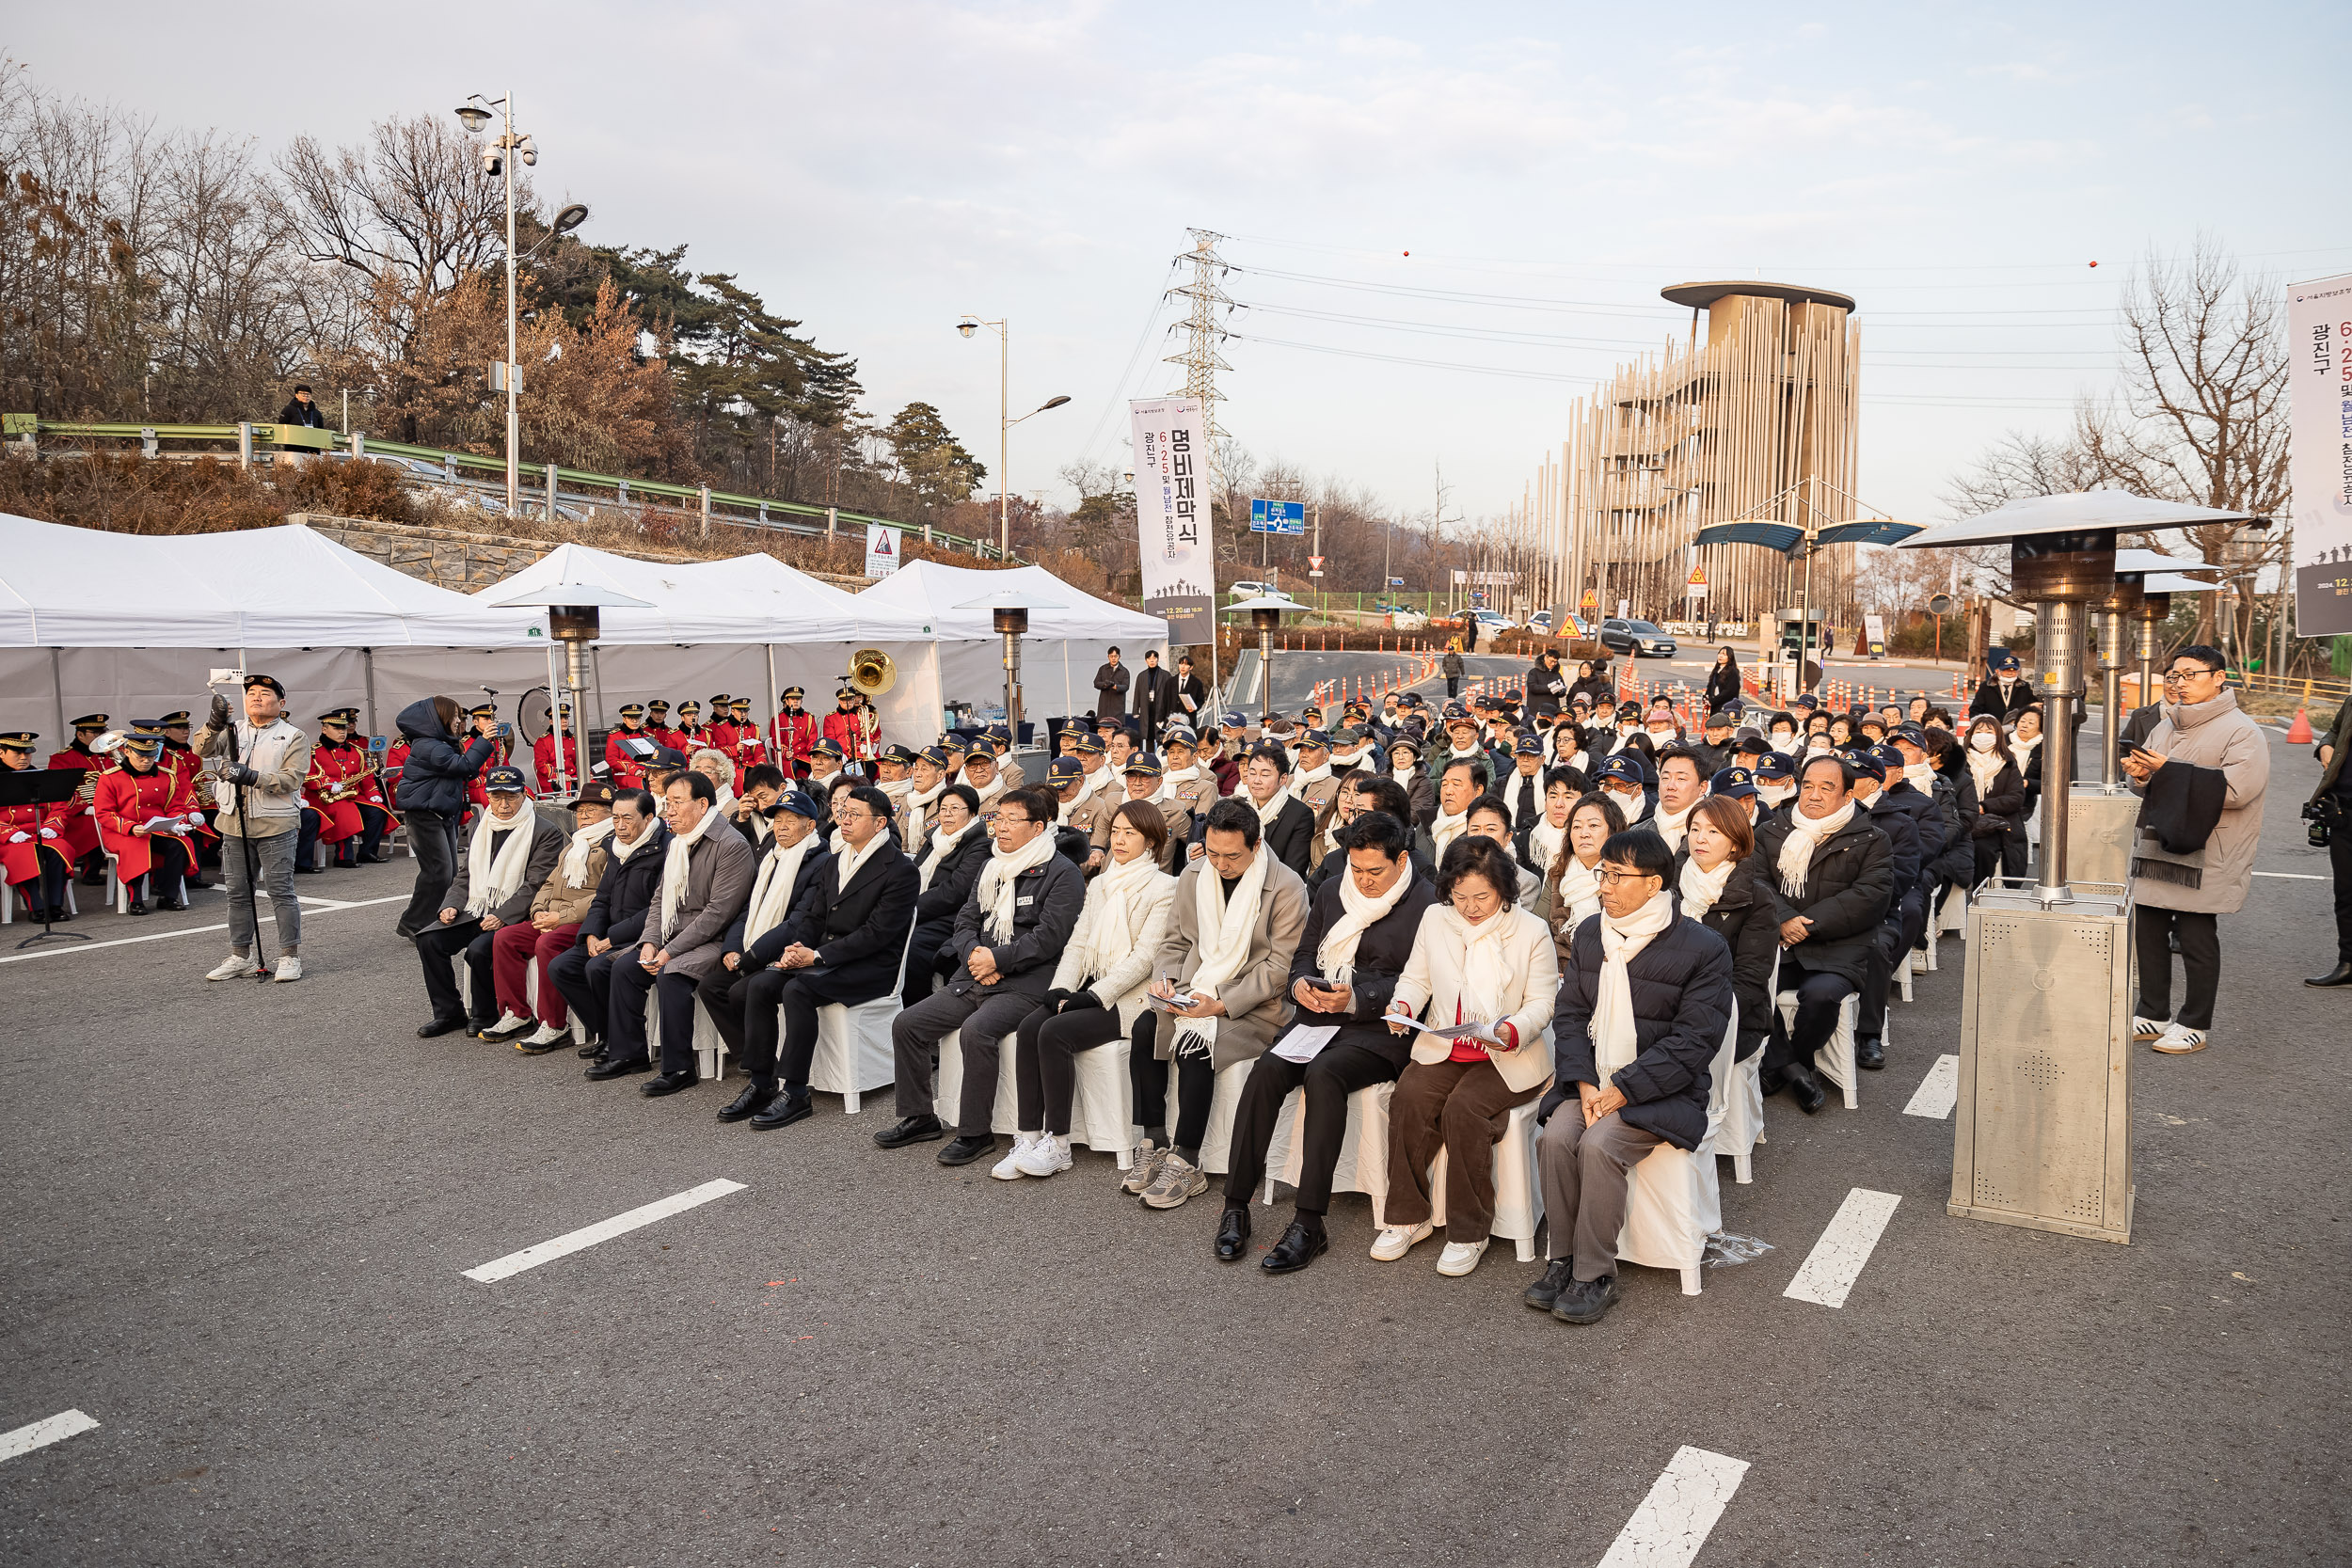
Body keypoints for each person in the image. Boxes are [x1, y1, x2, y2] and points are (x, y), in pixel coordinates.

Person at [1209, 810, 1437, 1267]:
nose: (1365, 881)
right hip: (1318, 1016)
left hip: (1382, 1027)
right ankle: (1236, 1206)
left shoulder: (1427, 904)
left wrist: (1356, 998)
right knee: (1267, 1070)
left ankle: (1309, 1221)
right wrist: (1300, 986)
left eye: (1376, 871)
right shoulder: (1334, 890)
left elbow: (1424, 981)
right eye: (1357, 868)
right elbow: (1305, 955)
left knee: (1325, 1074)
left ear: (1402, 859)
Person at [1525, 828, 1734, 1324]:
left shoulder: (1703, 948)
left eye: (1618, 877)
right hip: (1595, 1078)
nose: (1605, 887)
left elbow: (1693, 1043)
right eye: (1603, 874)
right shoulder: (1594, 932)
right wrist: (1585, 1083)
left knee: (1599, 1146)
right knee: (1555, 1137)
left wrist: (1624, 1090)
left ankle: (1594, 1274)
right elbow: (1571, 1014)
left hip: (1665, 1087)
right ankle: (1563, 1259)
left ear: (1654, 883)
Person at [1368, 834, 1559, 1275]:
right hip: (1445, 1044)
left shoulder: (1531, 930)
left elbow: (1542, 1003)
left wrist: (1511, 1029)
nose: (1471, 907)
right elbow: (1416, 979)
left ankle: (1468, 1231)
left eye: (1483, 897)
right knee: (1409, 1099)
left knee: (1464, 1110)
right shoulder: (1436, 919)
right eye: (1460, 896)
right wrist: (1402, 1007)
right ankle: (1407, 1217)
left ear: (1504, 891)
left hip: (1508, 1055)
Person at [882, 786, 1086, 1164]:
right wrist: (974, 954)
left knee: (978, 1030)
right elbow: (965, 919)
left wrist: (998, 960)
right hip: (974, 972)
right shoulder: (992, 864)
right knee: (908, 1023)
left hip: (1026, 983)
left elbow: (1050, 938)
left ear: (1038, 827)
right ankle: (920, 1116)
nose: (1001, 828)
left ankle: (975, 1133)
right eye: (998, 819)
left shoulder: (1063, 873)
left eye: (1012, 820)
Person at [1138, 797, 1311, 1211]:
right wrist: (1165, 981)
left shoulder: (1287, 887)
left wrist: (1218, 1004)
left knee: (1199, 1041)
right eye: (1213, 852)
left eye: (1232, 856)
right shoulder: (1194, 872)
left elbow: (1277, 969)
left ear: (1256, 845)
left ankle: (1187, 1161)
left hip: (1255, 1008)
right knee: (1146, 1028)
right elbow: (1176, 941)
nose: (1220, 864)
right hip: (1194, 988)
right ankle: (1155, 1142)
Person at [713, 786, 915, 1131]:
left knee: (798, 989)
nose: (844, 819)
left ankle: (795, 1092)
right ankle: (761, 1081)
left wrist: (817, 956)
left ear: (880, 823)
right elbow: (812, 916)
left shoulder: (900, 870)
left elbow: (877, 935)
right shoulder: (837, 860)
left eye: (855, 814)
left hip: (871, 966)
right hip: (825, 957)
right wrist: (795, 949)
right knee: (759, 984)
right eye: (843, 812)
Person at [1000, 800, 1179, 1180]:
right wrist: (1061, 988)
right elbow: (1079, 944)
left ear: (1151, 841)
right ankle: (1028, 1135)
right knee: (1032, 1025)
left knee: (1054, 1032)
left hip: (1128, 998)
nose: (1119, 839)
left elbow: (1146, 957)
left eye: (1130, 833)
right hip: (1089, 985)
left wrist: (1097, 995)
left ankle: (1059, 1143)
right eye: (1115, 831)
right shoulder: (1099, 884)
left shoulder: (1165, 887)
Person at [2122, 645, 2269, 1053]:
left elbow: (2239, 790)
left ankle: (2195, 1023)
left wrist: (2165, 771)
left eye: (2190, 675)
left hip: (2208, 847)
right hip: (2159, 839)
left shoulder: (2242, 730)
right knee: (2148, 928)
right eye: (2175, 676)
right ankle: (2152, 1012)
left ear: (2219, 677)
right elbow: (2147, 785)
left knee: (2196, 935)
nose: (2180, 684)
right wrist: (2140, 777)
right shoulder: (2166, 724)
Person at [591, 770, 755, 1093]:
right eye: (668, 803)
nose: (670, 810)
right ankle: (630, 1054)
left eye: (678, 802)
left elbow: (718, 914)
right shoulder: (679, 843)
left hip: (715, 939)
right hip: (673, 933)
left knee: (672, 971)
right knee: (625, 966)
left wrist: (668, 951)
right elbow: (659, 901)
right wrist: (650, 941)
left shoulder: (730, 844)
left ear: (703, 804)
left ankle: (678, 1068)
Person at [1753, 755, 1893, 1115]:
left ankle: (1788, 1062)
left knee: (1821, 996)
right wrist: (1783, 919)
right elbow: (1754, 880)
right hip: (1780, 940)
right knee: (1748, 987)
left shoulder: (1871, 838)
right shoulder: (1772, 830)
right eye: (1808, 785)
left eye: (1827, 788)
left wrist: (1807, 923)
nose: (1814, 795)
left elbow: (1870, 895)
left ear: (1848, 796)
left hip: (1840, 945)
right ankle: (1794, 1070)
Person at [413, 766, 566, 1037]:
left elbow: (535, 884)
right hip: (478, 907)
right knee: (429, 940)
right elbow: (467, 873)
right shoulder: (481, 824)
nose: (503, 805)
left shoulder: (544, 831)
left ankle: (486, 1014)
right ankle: (449, 1013)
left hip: (517, 913)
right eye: (496, 798)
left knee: (479, 950)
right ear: (487, 798)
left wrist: (503, 915)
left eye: (511, 797)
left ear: (523, 795)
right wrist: (451, 904)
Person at [193, 676, 313, 982]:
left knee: (281, 892)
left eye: (265, 694)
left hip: (276, 823)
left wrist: (250, 776)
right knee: (237, 893)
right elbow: (200, 749)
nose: (256, 698)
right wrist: (214, 722)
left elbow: (291, 779)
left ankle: (289, 956)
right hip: (234, 822)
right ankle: (240, 956)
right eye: (251, 694)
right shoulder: (233, 731)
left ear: (281, 703)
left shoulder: (293, 736)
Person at [485, 780, 618, 1051]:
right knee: (506, 938)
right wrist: (539, 911)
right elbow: (549, 883)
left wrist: (560, 917)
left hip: (583, 920)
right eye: (580, 812)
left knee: (547, 944)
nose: (583, 817)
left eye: (591, 811)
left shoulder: (612, 845)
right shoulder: (575, 844)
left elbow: (604, 896)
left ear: (609, 813)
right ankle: (516, 1013)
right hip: (553, 916)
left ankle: (554, 1025)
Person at [548, 789, 668, 1059]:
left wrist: (612, 938)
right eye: (615, 819)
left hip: (643, 935)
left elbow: (656, 909)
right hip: (611, 933)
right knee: (562, 967)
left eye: (628, 818)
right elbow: (602, 898)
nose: (621, 826)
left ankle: (626, 1047)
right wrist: (590, 933)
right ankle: (606, 1033)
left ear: (649, 818)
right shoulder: (615, 847)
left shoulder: (664, 849)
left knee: (599, 968)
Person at [1673, 793, 1776, 1067]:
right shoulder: (1670, 884)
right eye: (1695, 829)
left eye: (1713, 831)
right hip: (1668, 1004)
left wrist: (1697, 1013)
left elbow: (1750, 978)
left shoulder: (1756, 897)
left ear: (1735, 844)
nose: (1700, 838)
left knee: (1672, 1054)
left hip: (1730, 1015)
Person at [393, 697, 498, 941]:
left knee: (448, 872)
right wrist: (483, 741)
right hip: (424, 814)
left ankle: (436, 916)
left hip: (439, 812)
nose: (459, 721)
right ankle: (414, 922)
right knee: (438, 872)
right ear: (440, 718)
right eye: (454, 716)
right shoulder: (429, 745)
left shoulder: (438, 742)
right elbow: (464, 767)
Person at [1843, 747, 1921, 1072]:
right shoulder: (1824, 818)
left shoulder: (1900, 823)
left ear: (1874, 784)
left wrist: (1850, 905)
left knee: (1874, 948)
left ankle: (1869, 1032)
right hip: (1825, 909)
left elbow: (1898, 880)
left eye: (1853, 779)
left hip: (1875, 913)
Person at [94, 733, 203, 913]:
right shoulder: (110, 777)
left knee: (179, 845)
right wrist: (130, 827)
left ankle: (168, 896)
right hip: (122, 831)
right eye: (141, 756)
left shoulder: (166, 776)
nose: (146, 761)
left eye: (151, 756)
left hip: (157, 829)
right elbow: (104, 813)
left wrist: (174, 823)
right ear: (127, 752)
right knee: (136, 845)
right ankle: (135, 900)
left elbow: (175, 806)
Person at [904, 783, 992, 1007]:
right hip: (919, 909)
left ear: (972, 813)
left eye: (955, 808)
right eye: (943, 809)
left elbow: (955, 891)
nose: (947, 814)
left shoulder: (980, 845)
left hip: (950, 918)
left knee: (911, 948)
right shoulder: (934, 839)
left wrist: (909, 909)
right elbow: (913, 873)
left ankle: (917, 1009)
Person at [1200, 744, 1314, 879]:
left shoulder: (1299, 814)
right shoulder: (1237, 806)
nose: (1256, 780)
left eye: (1265, 774)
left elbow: (1294, 868)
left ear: (1283, 779)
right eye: (1252, 773)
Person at [299, 709, 386, 871]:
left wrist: (373, 793)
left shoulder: (356, 751)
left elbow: (365, 777)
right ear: (324, 729)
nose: (342, 732)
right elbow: (306, 776)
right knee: (344, 811)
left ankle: (368, 852)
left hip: (352, 795)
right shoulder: (313, 752)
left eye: (344, 729)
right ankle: (343, 856)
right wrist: (328, 783)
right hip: (323, 798)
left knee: (377, 811)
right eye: (337, 728)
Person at [0, 730, 72, 920]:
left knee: (61, 849)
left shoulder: (39, 776)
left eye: (28, 753)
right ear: (1, 753)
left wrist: (52, 826)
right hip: (7, 838)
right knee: (24, 854)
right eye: (18, 753)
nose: (24, 758)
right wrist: (7, 832)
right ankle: (37, 907)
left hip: (39, 831)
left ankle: (55, 905)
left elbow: (59, 806)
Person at [2307, 691, 2352, 989]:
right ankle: (2348, 963)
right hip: (2342, 810)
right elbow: (2335, 730)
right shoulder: (2351, 701)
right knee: (2345, 893)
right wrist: (2325, 746)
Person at [1961, 714, 2028, 881]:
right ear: (1971, 734)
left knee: (1983, 848)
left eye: (1989, 731)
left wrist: (1984, 806)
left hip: (1999, 823)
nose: (1983, 735)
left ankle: (1980, 892)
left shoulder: (2007, 762)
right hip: (1965, 820)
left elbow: (2016, 797)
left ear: (1998, 736)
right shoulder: (1961, 761)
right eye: (1979, 730)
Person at [1649, 747, 1709, 853]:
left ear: (1703, 787)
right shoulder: (1638, 831)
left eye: (1681, 779)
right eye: (1665, 778)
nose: (1671, 786)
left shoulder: (1715, 833)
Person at [1970, 650, 2036, 721]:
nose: (2010, 673)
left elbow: (2032, 708)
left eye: (2014, 670)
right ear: (1997, 671)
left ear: (2018, 672)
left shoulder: (2024, 688)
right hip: (1992, 728)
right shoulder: (1986, 687)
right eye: (2006, 670)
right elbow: (1975, 710)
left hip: (2016, 729)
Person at [1387, 735, 1437, 827]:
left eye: (1405, 752)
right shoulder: (1383, 778)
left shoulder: (1423, 781)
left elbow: (1417, 813)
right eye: (1396, 753)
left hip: (1409, 828)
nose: (1400, 757)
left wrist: (1388, 820)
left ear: (1414, 757)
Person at [1132, 648, 1176, 747]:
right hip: (1146, 709)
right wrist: (1135, 711)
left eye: (1154, 658)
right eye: (1149, 658)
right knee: (1148, 735)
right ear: (1146, 660)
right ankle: (1149, 755)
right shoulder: (1141, 676)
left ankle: (1161, 755)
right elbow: (1137, 694)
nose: (1152, 660)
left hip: (1161, 709)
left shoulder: (1166, 675)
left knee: (1161, 734)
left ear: (1158, 659)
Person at [1526, 646, 1567, 721]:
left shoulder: (1557, 674)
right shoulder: (1534, 672)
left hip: (1552, 711)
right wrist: (1550, 687)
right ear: (1545, 658)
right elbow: (1533, 688)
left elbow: (1563, 690)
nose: (1553, 664)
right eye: (1551, 661)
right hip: (1536, 710)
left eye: (1555, 662)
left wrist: (1561, 691)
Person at [1092, 645, 1132, 721]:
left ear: (1119, 657)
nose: (1113, 658)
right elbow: (1096, 683)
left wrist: (1114, 686)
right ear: (1108, 657)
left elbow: (1126, 687)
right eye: (1111, 656)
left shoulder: (1124, 671)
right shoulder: (1103, 668)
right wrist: (1105, 684)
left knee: (1116, 730)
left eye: (1115, 656)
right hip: (1104, 707)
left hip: (1117, 708)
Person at [1705, 647, 1742, 715]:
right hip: (1715, 707)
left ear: (1730, 657)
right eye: (1720, 653)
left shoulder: (1733, 672)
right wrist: (1706, 698)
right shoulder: (1717, 670)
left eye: (1724, 654)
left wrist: (1713, 701)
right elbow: (1710, 686)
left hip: (1727, 708)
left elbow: (1729, 692)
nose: (1721, 656)